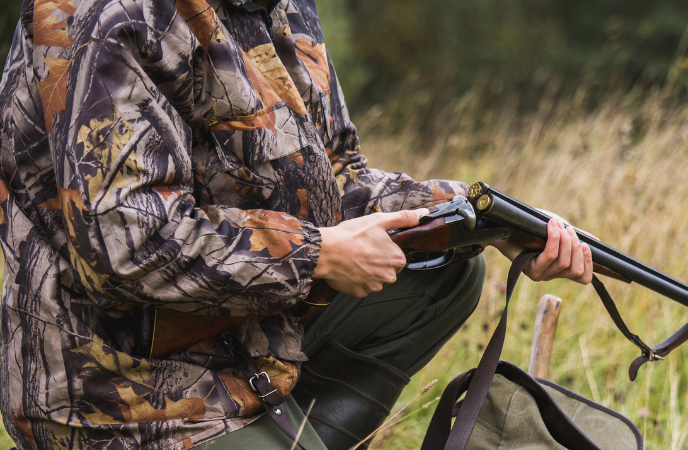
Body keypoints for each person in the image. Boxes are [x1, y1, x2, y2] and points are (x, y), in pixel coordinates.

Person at [0, 0, 593, 449]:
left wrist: (487, 216)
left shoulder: (282, 10)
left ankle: (285, 434)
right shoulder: (105, 14)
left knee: (444, 267)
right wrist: (315, 256)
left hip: (244, 358)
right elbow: (123, 241)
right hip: (113, 407)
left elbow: (341, 179)